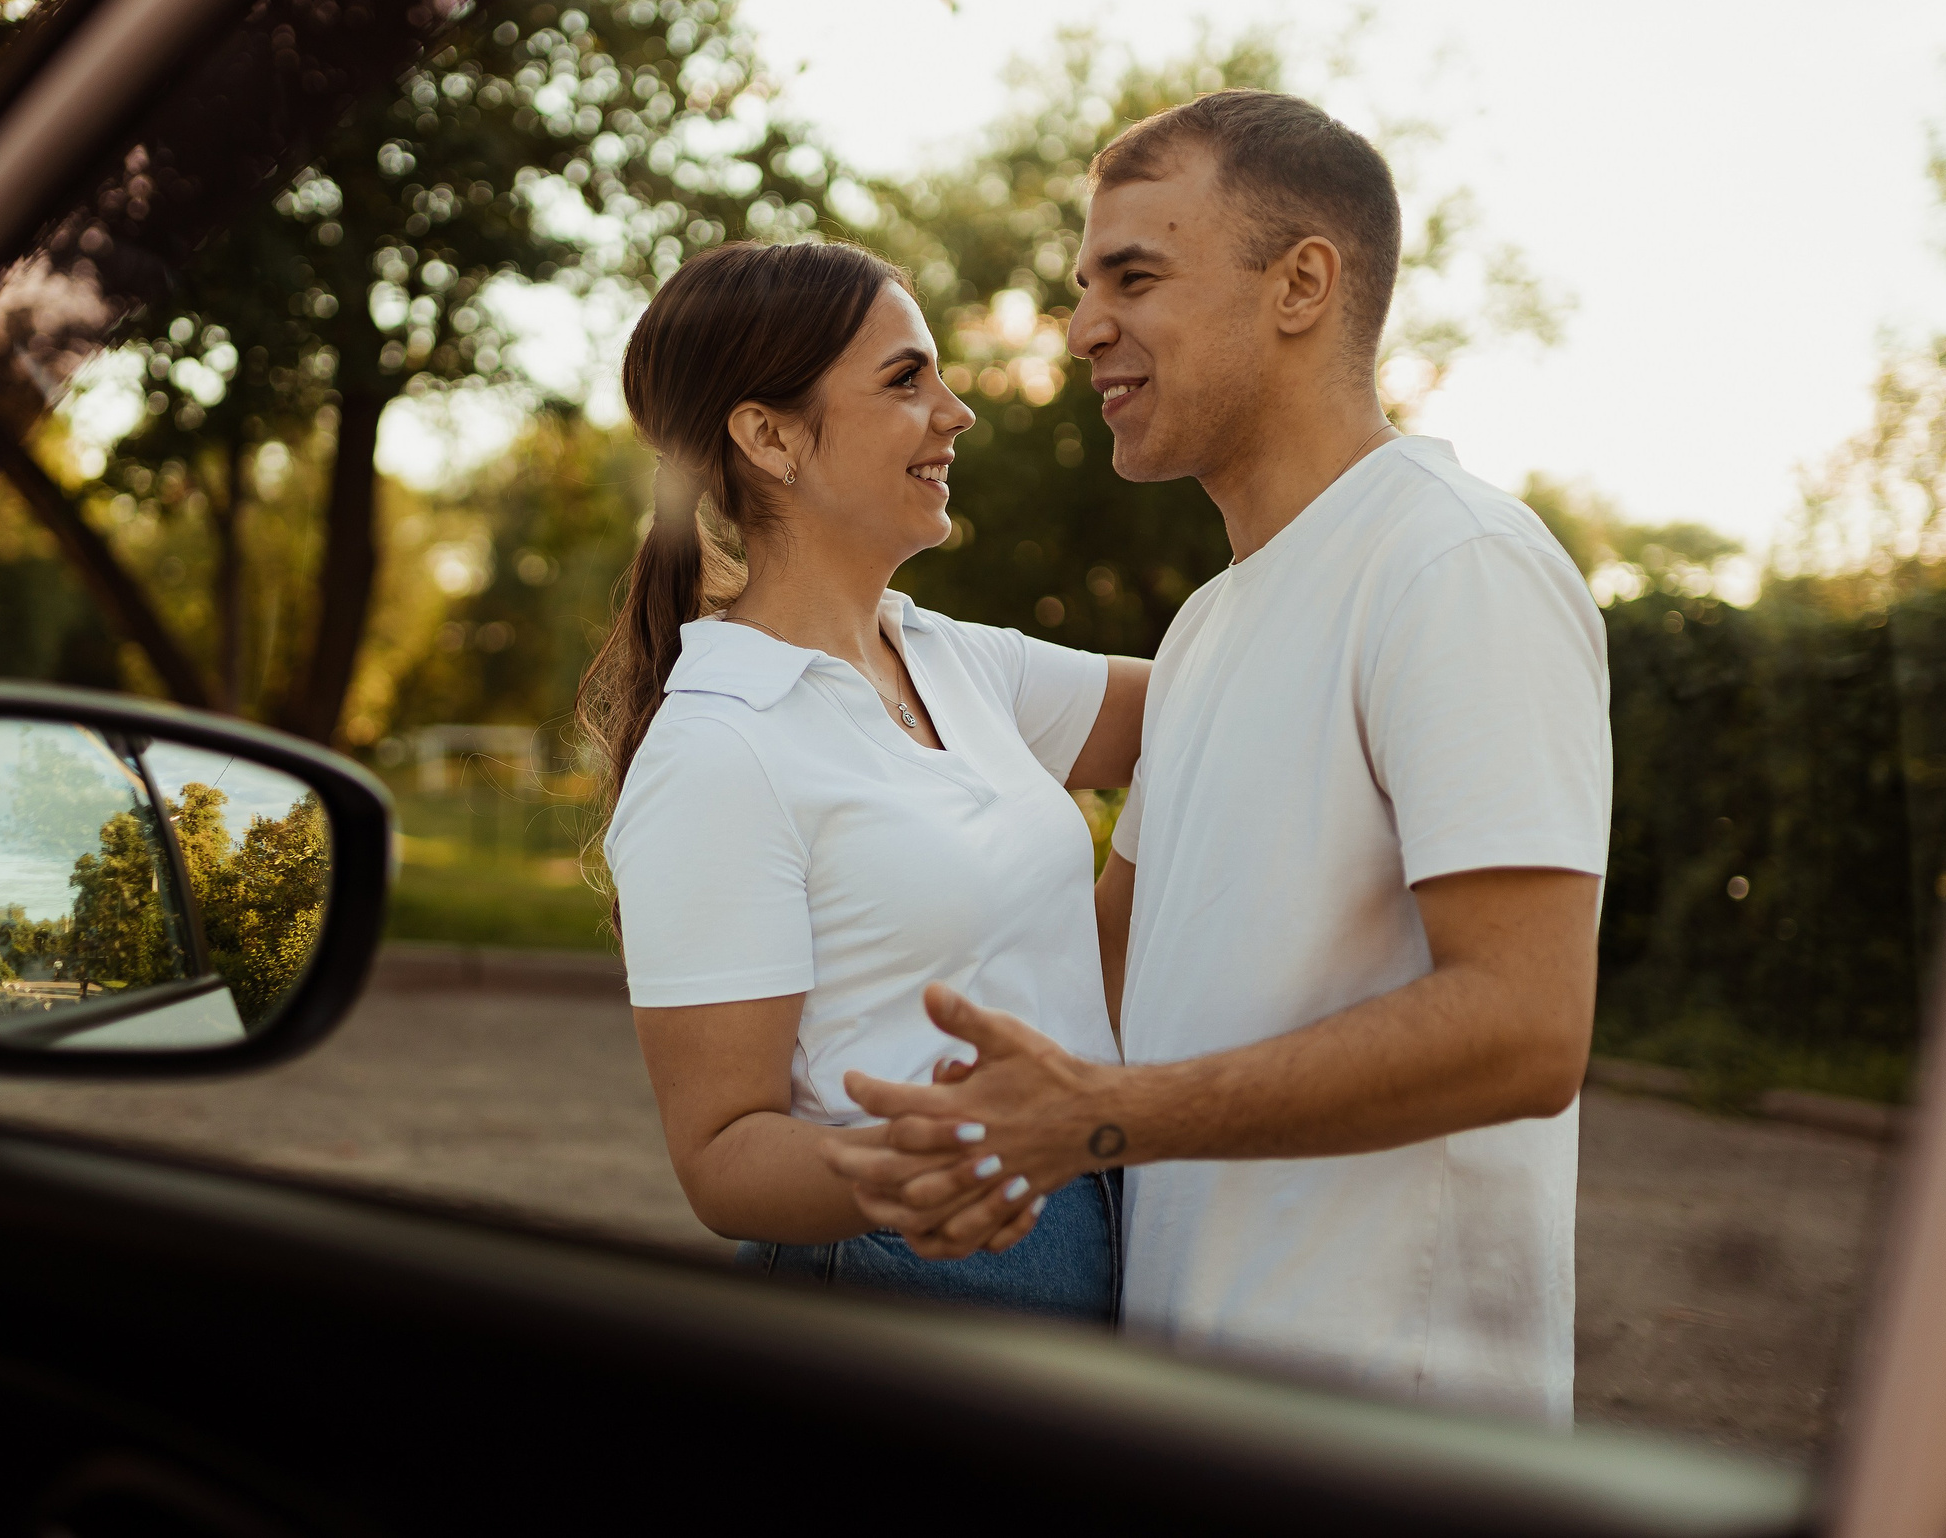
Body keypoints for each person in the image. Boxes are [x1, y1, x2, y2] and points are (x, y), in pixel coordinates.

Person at [829, 90, 1611, 1424]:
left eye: (1134, 277)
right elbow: (1107, 984)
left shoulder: (1452, 564)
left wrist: (1101, 1115)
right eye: (1085, 286)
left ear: (1302, 283)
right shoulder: (1204, 628)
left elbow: (1526, 1028)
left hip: (1391, 1426)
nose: (1082, 331)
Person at [582, 239, 1150, 1323]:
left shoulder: (952, 658)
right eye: (904, 379)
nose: (955, 411)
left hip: (1096, 1221)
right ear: (769, 436)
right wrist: (923, 1162)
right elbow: (720, 1155)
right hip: (912, 1272)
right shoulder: (719, 745)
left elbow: (1212, 707)